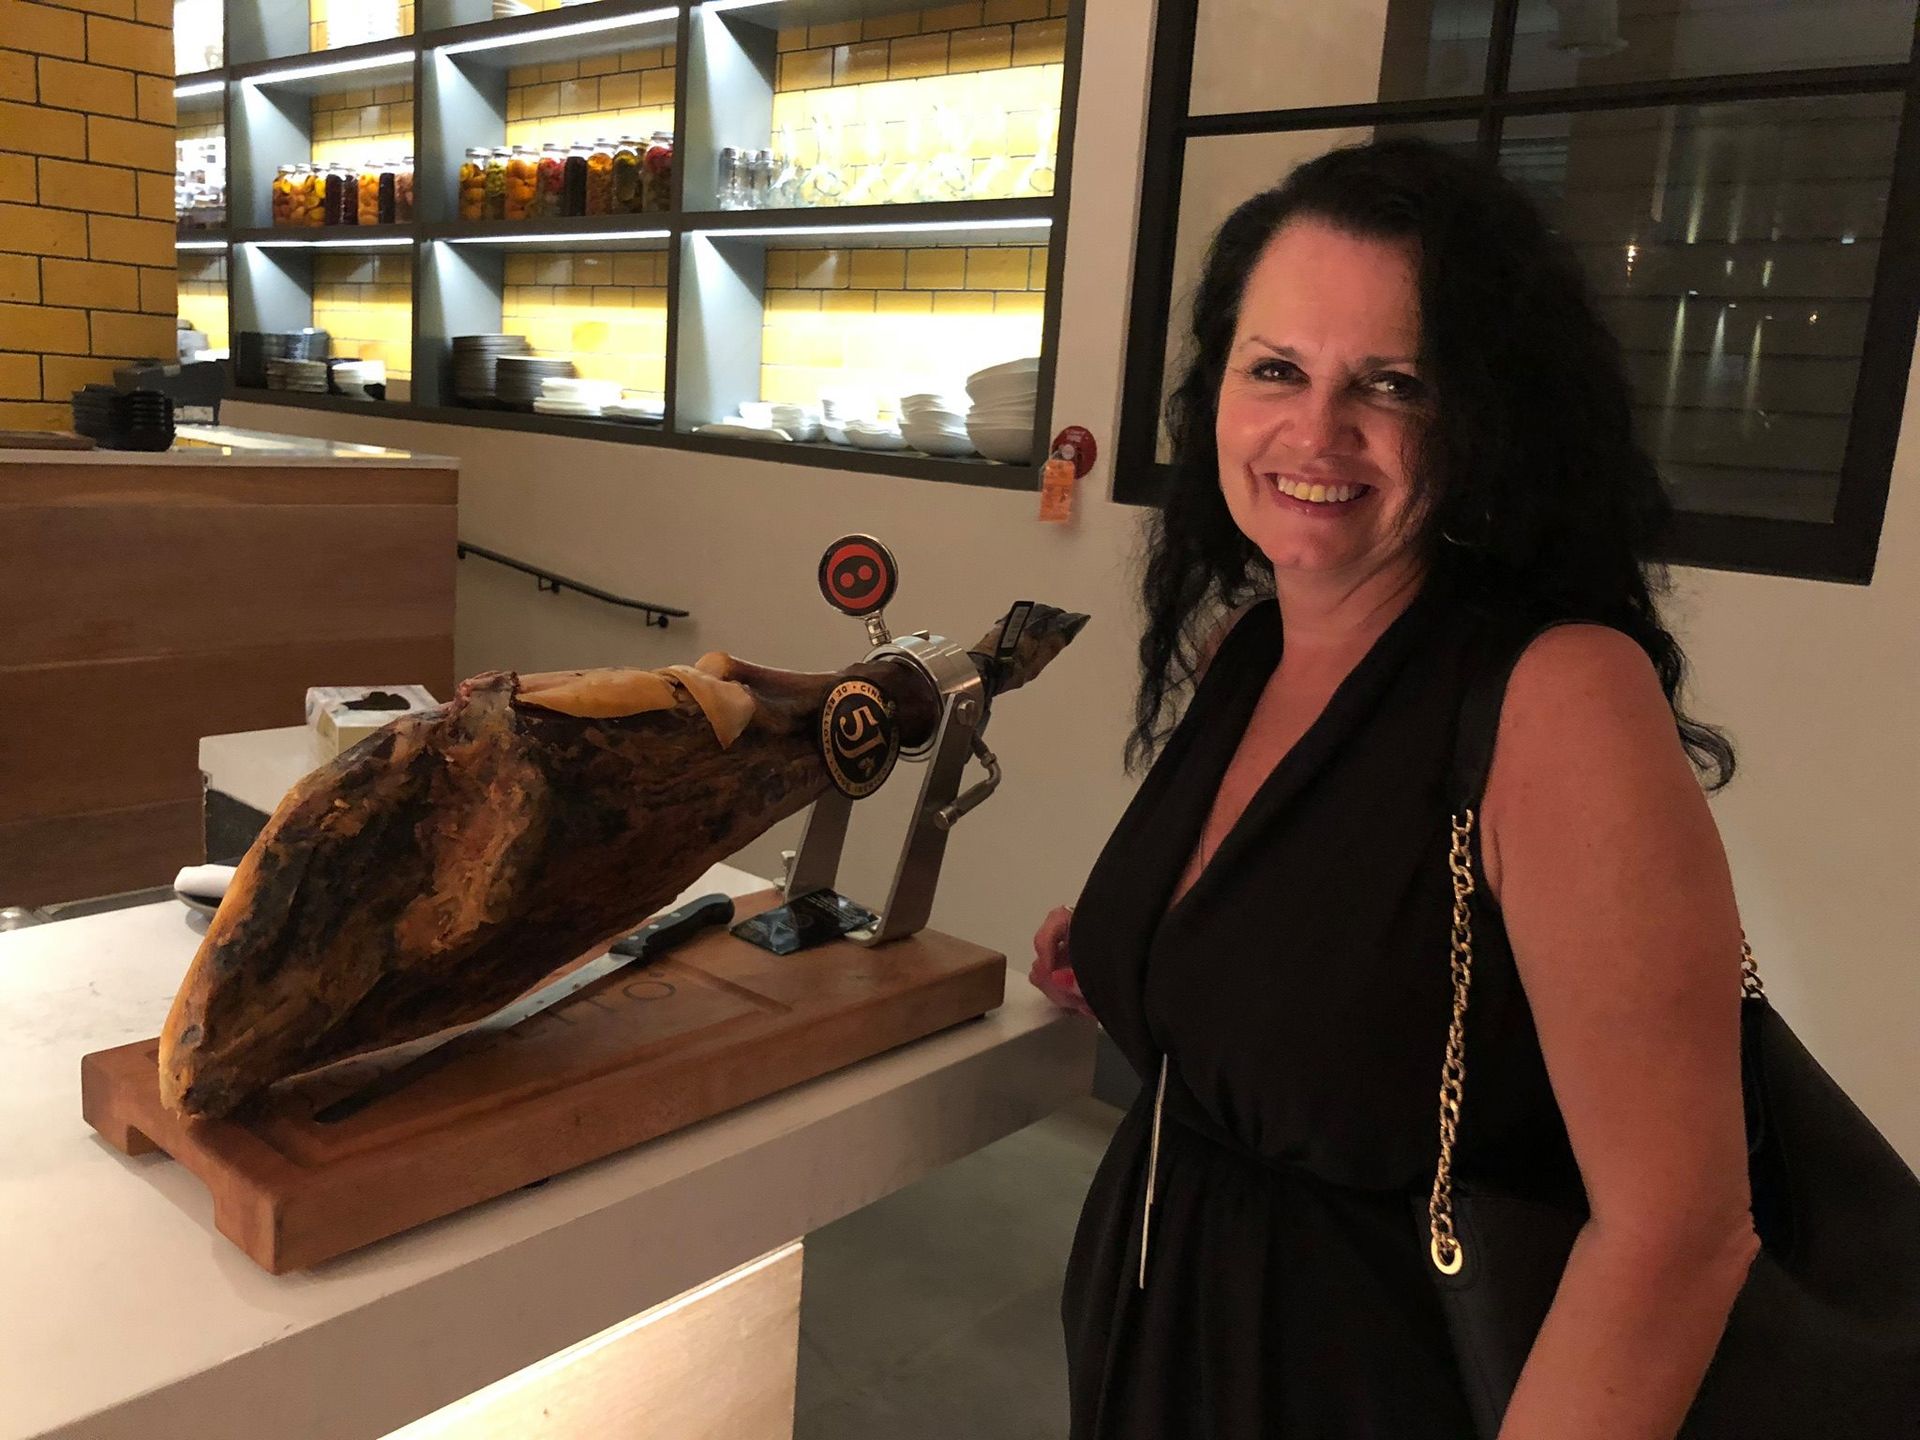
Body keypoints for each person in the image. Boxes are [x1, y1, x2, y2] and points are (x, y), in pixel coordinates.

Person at [1030, 138, 1761, 1438]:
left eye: (1393, 384)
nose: (1317, 433)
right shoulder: (1252, 647)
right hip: (1164, 1349)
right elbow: (1352, 979)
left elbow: (1678, 1235)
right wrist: (1150, 956)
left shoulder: (1560, 696)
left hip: (1378, 1381)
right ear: (1216, 390)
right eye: (1277, 370)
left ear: (1483, 417)